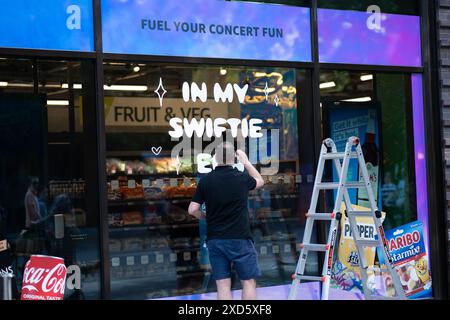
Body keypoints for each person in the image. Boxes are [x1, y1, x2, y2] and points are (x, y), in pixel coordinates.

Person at [188, 141, 264, 300]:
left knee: (223, 285)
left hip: (215, 239)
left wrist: (206, 217)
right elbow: (260, 181)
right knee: (248, 281)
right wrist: (246, 162)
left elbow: (192, 209)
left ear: (215, 157)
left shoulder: (206, 181)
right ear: (234, 158)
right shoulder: (241, 177)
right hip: (240, 239)